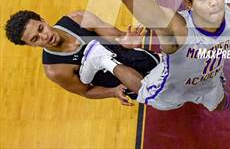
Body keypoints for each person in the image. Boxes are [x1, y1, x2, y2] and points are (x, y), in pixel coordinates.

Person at [79, 0, 230, 133]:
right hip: (171, 86)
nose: (214, 1)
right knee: (143, 90)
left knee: (219, 104)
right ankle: (103, 59)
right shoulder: (177, 28)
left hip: (208, 79)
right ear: (188, 3)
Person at [4, 9, 160, 105]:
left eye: (40, 28)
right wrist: (113, 92)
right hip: (123, 84)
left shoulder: (78, 18)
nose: (44, 36)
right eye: (35, 39)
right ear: (30, 46)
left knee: (179, 74)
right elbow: (85, 91)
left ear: (43, 20)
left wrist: (127, 40)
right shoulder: (55, 69)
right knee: (161, 98)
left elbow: (117, 37)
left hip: (138, 59)